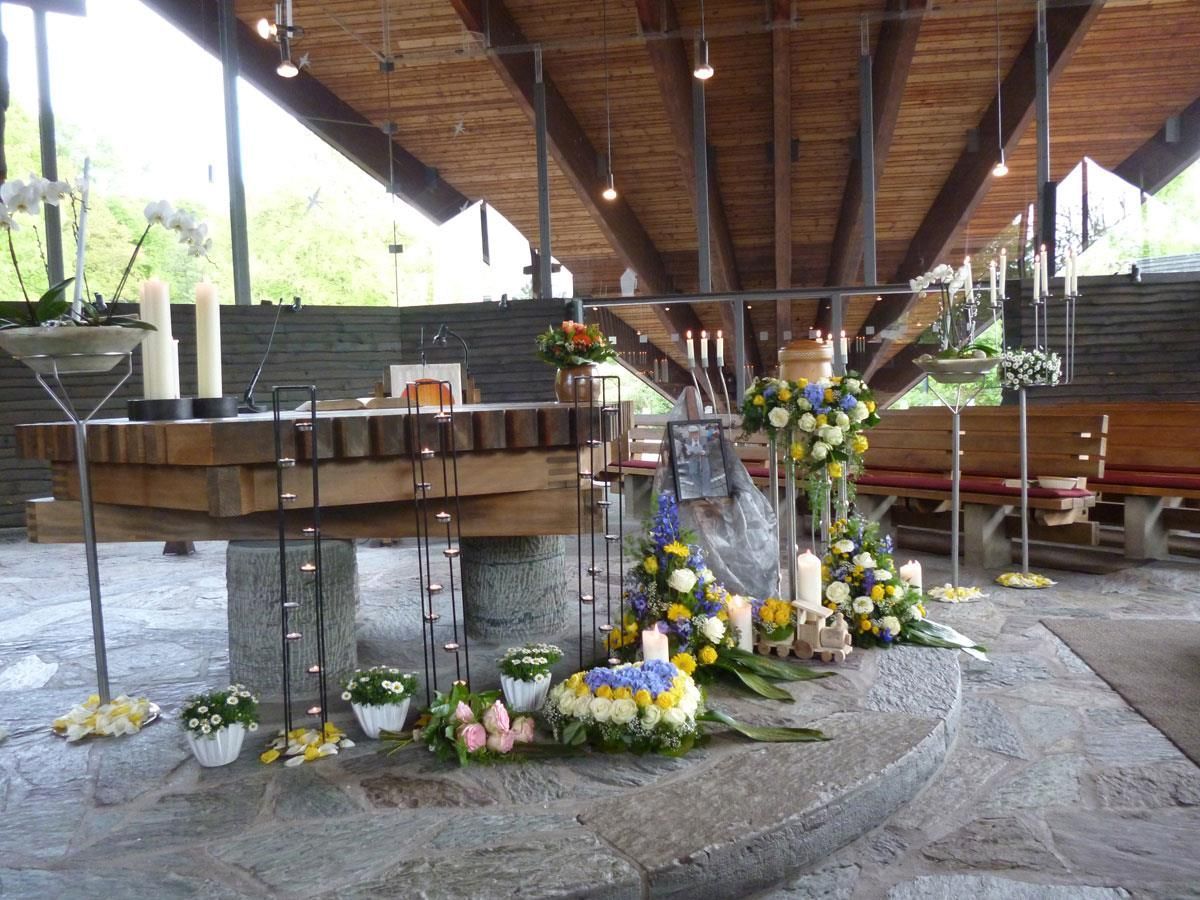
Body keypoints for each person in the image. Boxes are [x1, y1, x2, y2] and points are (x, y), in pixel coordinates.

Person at [680, 424, 712, 498]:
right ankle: (699, 490)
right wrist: (688, 453)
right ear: (690, 434)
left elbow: (708, 451)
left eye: (696, 433)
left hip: (703, 456)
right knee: (693, 472)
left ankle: (706, 491)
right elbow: (685, 454)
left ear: (698, 433)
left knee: (706, 471)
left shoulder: (704, 439)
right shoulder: (687, 441)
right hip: (693, 457)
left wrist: (704, 452)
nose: (695, 435)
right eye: (693, 433)